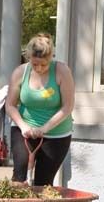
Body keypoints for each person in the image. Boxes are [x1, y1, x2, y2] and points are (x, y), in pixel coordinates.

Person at [5, 33, 75, 186]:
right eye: (35, 64)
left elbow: (68, 106)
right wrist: (23, 126)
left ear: (51, 58)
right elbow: (10, 105)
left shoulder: (62, 71)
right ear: (29, 57)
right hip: (24, 128)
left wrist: (44, 128)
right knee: (19, 177)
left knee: (43, 182)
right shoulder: (19, 72)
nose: (39, 68)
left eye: (44, 64)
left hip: (56, 133)